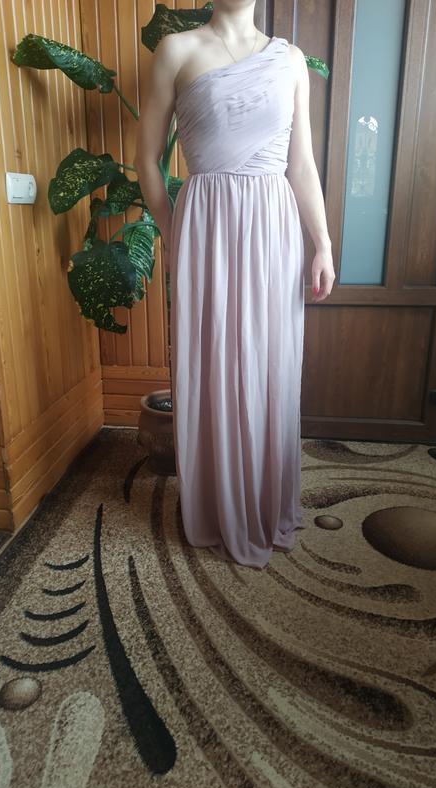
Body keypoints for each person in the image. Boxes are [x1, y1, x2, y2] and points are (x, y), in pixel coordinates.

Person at [134, 0, 335, 569]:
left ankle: (266, 503)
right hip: (207, 231)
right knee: (215, 362)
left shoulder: (290, 61)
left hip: (273, 229)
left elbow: (301, 165)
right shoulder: (176, 50)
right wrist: (174, 233)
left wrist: (322, 243)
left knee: (271, 364)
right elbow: (146, 160)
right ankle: (220, 506)